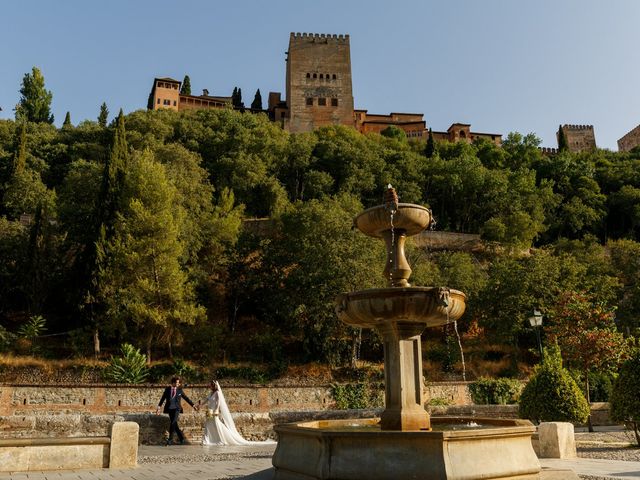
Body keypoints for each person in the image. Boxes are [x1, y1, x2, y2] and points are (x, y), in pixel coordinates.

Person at [199, 380, 275, 446]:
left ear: (213, 385)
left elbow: (218, 402)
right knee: (208, 424)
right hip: (209, 410)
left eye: (210, 385)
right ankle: (207, 439)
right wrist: (199, 405)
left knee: (216, 424)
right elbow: (206, 400)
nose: (209, 386)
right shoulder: (211, 393)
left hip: (214, 411)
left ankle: (221, 439)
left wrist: (216, 410)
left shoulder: (217, 393)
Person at [156, 376, 198, 445]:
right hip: (169, 409)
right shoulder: (167, 389)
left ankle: (170, 439)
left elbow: (186, 398)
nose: (178, 384)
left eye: (178, 383)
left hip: (177, 409)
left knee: (173, 422)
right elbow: (162, 399)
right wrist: (158, 408)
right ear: (173, 383)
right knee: (174, 424)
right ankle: (181, 438)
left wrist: (193, 405)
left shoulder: (179, 390)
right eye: (176, 382)